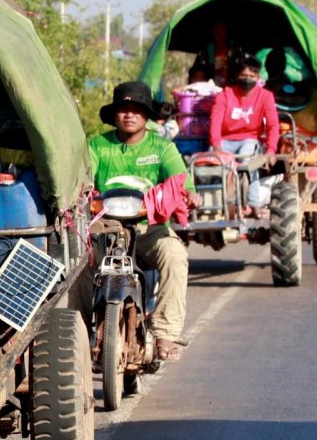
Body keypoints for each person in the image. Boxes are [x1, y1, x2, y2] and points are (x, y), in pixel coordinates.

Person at [89, 81, 202, 362]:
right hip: (104, 229)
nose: (129, 114)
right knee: (73, 262)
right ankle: (78, 331)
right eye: (123, 109)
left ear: (146, 115)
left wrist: (189, 194)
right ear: (115, 114)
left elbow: (180, 178)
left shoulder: (162, 148)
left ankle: (164, 332)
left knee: (175, 255)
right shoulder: (97, 145)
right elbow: (81, 180)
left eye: (136, 109)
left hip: (147, 230)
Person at [208, 54, 281, 216]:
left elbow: (272, 125)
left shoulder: (265, 96)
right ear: (236, 76)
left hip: (249, 139)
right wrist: (216, 146)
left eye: (251, 76)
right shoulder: (225, 95)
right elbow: (215, 122)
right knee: (215, 164)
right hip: (225, 141)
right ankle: (214, 204)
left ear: (258, 77)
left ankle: (253, 204)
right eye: (243, 75)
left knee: (249, 161)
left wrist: (271, 150)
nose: (247, 79)